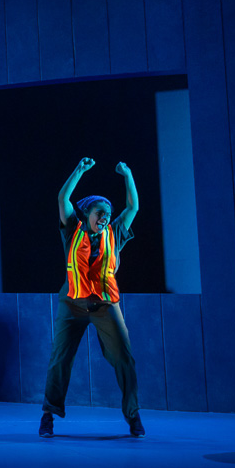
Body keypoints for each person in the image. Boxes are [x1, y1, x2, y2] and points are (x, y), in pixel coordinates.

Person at [40, 158, 145, 439]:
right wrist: (79, 170)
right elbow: (63, 197)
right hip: (72, 303)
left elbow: (133, 206)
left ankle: (133, 415)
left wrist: (128, 174)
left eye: (108, 214)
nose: (105, 217)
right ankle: (48, 414)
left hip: (105, 304)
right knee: (60, 358)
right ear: (87, 213)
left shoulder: (114, 233)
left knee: (124, 356)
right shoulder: (72, 228)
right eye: (100, 212)